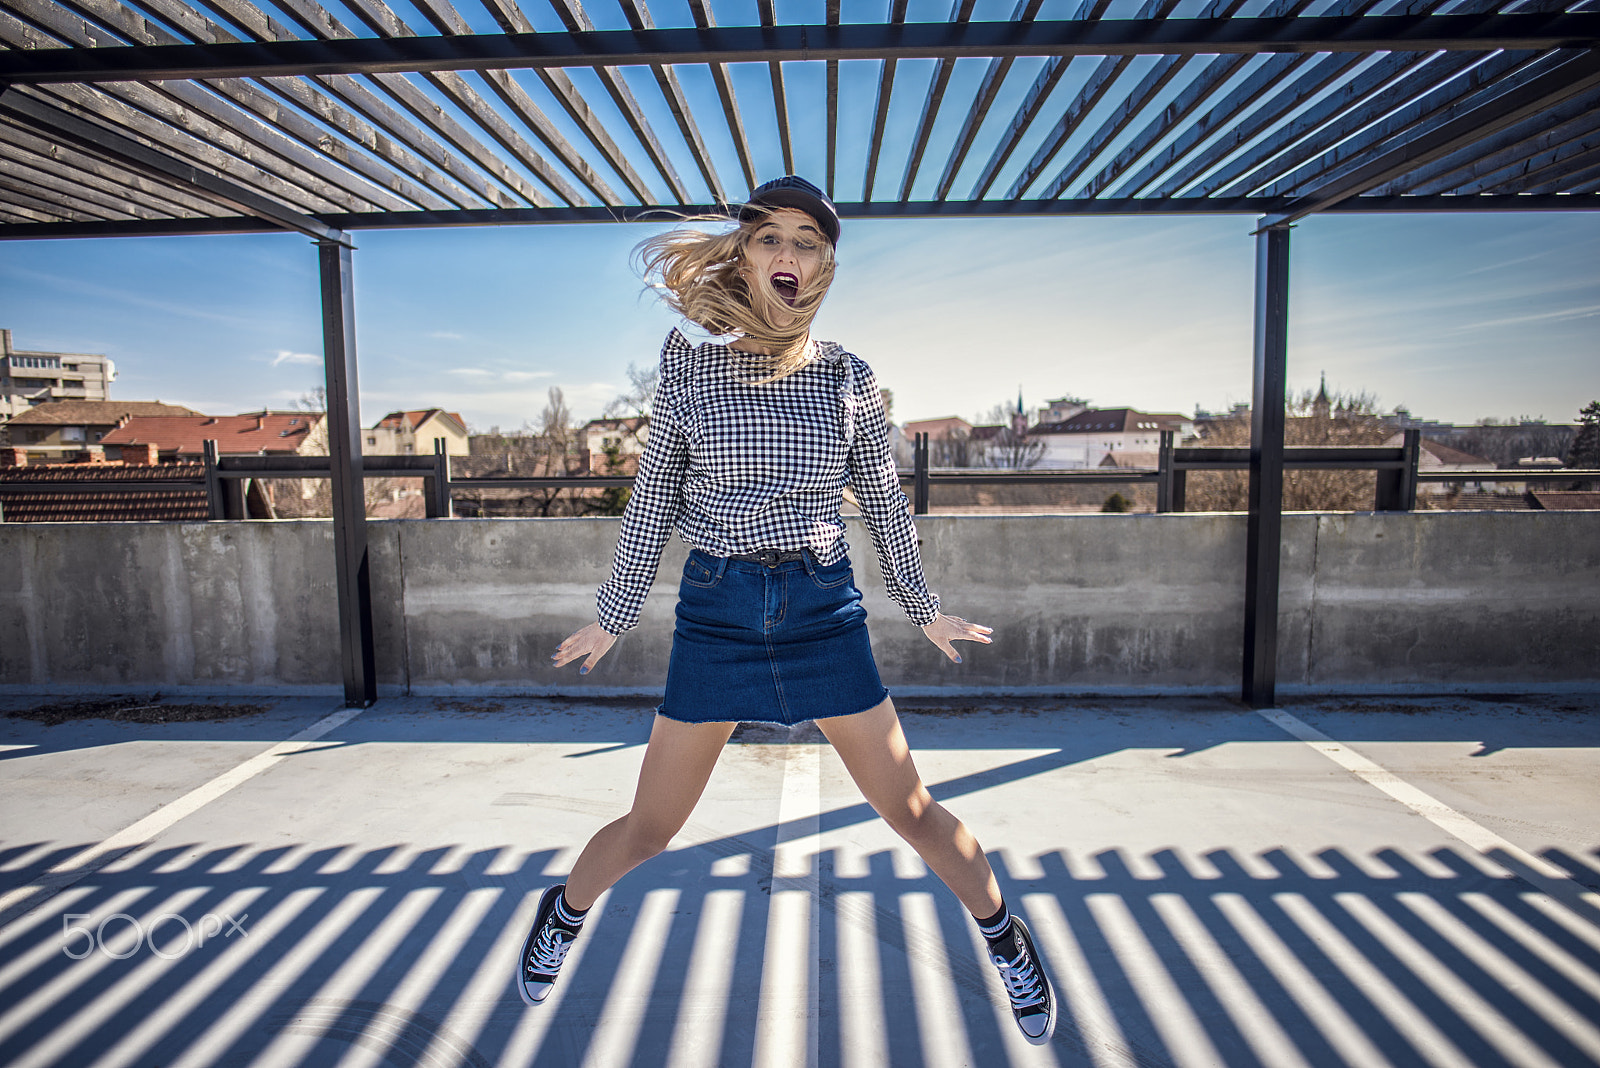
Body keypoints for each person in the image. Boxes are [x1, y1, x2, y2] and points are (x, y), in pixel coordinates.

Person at [517, 176, 1056, 1044]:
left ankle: (1006, 939)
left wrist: (924, 606)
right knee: (653, 827)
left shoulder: (847, 375)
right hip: (718, 612)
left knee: (910, 808)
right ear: (746, 253)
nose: (787, 256)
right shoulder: (690, 368)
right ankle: (564, 915)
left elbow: (882, 499)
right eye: (770, 238)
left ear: (823, 265)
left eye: (805, 242)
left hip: (820, 609)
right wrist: (614, 615)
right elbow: (654, 496)